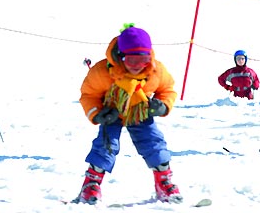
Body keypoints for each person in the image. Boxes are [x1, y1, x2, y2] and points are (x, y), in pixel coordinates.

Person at [73, 24, 182, 205]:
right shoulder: (103, 72)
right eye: (132, 61)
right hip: (113, 113)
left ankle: (164, 181)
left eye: (143, 60)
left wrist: (163, 106)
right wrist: (98, 114)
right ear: (121, 57)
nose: (138, 67)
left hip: (140, 111)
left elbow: (167, 89)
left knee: (154, 142)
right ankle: (91, 184)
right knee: (106, 145)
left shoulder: (155, 71)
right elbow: (89, 94)